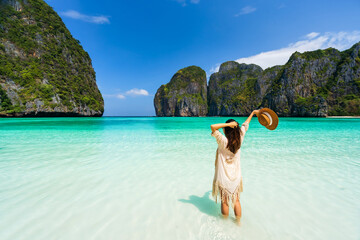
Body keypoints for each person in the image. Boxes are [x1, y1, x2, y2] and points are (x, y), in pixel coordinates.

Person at [210, 110, 259, 223]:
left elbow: (213, 127)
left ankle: (225, 224)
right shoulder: (240, 138)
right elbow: (245, 125)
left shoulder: (223, 141)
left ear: (226, 130)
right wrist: (253, 113)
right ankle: (238, 222)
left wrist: (227, 125)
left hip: (223, 177)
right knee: (236, 200)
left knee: (225, 201)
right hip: (236, 177)